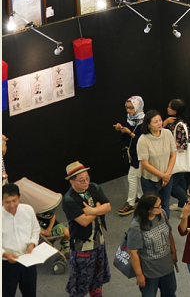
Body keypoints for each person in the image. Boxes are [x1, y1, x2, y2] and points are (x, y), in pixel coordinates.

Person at [62, 161, 112, 297]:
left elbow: (108, 206)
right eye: (81, 180)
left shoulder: (94, 187)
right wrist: (98, 208)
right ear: (71, 181)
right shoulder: (69, 199)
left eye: (87, 178)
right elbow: (83, 221)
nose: (86, 182)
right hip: (82, 246)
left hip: (99, 241)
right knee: (80, 283)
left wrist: (91, 210)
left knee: (97, 279)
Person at [126, 194, 177, 297]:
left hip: (167, 268)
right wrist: (139, 275)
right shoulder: (136, 226)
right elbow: (132, 252)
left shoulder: (162, 214)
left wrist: (173, 252)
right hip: (150, 272)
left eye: (160, 205)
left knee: (170, 293)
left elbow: (169, 233)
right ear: (148, 209)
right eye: (157, 206)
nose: (161, 207)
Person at [136, 110, 177, 220]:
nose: (159, 123)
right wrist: (162, 175)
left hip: (167, 177)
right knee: (151, 208)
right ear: (148, 125)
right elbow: (145, 164)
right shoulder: (143, 140)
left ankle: (165, 227)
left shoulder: (167, 133)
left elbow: (173, 155)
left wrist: (167, 174)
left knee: (165, 205)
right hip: (150, 180)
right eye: (155, 122)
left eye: (160, 120)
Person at [2, 183, 40, 297]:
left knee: (30, 293)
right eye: (7, 202)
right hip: (6, 263)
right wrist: (5, 254)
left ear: (19, 197)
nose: (12, 205)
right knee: (7, 293)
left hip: (27, 259)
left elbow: (36, 229)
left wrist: (32, 243)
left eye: (14, 200)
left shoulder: (28, 210)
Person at [113, 95, 145, 216]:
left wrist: (129, 132)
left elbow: (143, 140)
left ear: (138, 107)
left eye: (131, 108)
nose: (128, 110)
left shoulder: (144, 121)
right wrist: (120, 129)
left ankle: (130, 203)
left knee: (132, 177)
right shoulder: (130, 118)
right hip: (131, 151)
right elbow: (126, 133)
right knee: (137, 176)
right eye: (127, 107)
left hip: (140, 153)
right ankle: (140, 196)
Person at [163, 99, 190, 212]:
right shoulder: (172, 122)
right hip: (173, 157)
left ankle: (186, 204)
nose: (167, 108)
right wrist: (165, 123)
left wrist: (172, 142)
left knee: (173, 185)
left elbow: (184, 144)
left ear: (175, 111)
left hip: (176, 158)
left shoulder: (179, 125)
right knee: (180, 182)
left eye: (170, 107)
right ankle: (182, 205)